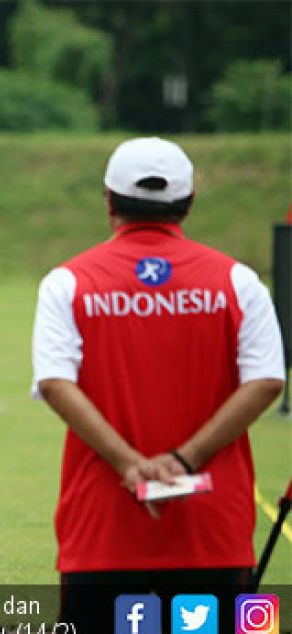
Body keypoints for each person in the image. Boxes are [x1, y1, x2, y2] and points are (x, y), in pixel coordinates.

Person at [31, 137, 285, 632]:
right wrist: (183, 462)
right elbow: (267, 381)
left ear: (108, 199)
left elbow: (56, 382)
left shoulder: (67, 282)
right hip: (211, 526)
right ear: (189, 203)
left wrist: (132, 465)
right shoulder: (239, 281)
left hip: (102, 529)